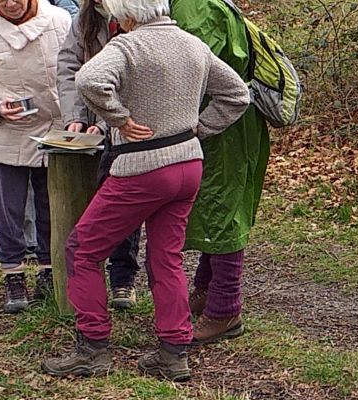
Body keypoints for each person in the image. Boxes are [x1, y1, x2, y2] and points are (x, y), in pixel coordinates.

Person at [38, 0, 251, 380]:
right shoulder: (192, 43)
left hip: (143, 167)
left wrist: (118, 118)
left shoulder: (127, 45)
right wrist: (199, 128)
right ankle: (173, 352)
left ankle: (92, 347)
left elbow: (88, 79)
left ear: (129, 14)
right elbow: (237, 94)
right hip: (188, 164)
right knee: (165, 258)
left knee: (83, 251)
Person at [169, 0, 274, 347]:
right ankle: (206, 289)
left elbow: (192, 70)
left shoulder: (196, 6)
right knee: (214, 205)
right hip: (225, 121)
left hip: (222, 122)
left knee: (222, 209)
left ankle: (225, 309)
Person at [0, 0, 72, 313]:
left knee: (52, 205)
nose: (10, 3)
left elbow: (76, 67)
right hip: (9, 134)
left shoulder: (60, 20)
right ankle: (14, 274)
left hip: (57, 130)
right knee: (8, 210)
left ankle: (50, 272)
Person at [58, 0, 149, 309]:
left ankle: (123, 278)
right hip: (93, 124)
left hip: (129, 126)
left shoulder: (140, 16)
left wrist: (104, 122)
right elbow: (71, 68)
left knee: (125, 206)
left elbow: (132, 80)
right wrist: (77, 117)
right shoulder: (85, 20)